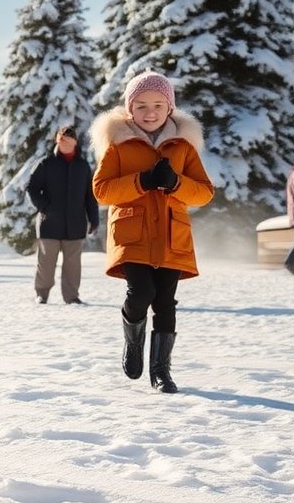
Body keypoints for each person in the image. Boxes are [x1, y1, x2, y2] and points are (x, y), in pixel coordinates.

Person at [91, 70, 214, 394]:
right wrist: (141, 182)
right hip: (132, 237)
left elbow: (204, 192)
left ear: (169, 108)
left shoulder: (184, 148)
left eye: (158, 105)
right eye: (141, 105)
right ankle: (133, 343)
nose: (150, 112)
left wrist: (176, 184)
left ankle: (161, 371)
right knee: (140, 294)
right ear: (130, 108)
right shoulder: (119, 145)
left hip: (172, 237)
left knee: (165, 303)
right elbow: (102, 191)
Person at [26, 124, 99, 304]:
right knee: (46, 264)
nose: (64, 143)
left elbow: (90, 195)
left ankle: (72, 297)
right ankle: (41, 294)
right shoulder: (46, 164)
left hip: (75, 225)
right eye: (61, 140)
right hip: (49, 224)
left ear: (75, 142)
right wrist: (44, 207)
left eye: (68, 140)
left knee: (73, 265)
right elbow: (32, 188)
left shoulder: (83, 167)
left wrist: (94, 219)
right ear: (57, 142)